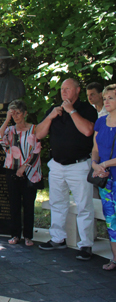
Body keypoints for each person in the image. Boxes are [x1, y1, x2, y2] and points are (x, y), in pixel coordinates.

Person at [36, 78, 97, 260]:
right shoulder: (55, 110)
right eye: (62, 89)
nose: (63, 92)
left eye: (67, 89)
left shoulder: (86, 110)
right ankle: (57, 238)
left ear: (78, 90)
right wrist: (50, 116)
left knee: (84, 205)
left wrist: (72, 112)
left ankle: (85, 244)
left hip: (79, 165)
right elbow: (38, 134)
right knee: (57, 202)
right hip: (57, 165)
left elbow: (88, 131)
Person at [0, 100, 42, 247]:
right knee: (14, 204)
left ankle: (28, 236)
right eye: (12, 113)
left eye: (18, 112)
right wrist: (7, 119)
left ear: (25, 113)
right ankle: (15, 234)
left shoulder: (34, 129)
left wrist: (24, 167)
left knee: (28, 205)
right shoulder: (9, 131)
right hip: (11, 171)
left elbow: (37, 150)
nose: (15, 115)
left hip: (30, 172)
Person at [90, 84, 116, 270]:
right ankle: (115, 259)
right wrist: (94, 165)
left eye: (111, 98)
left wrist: (105, 164)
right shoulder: (100, 122)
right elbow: (95, 149)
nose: (106, 101)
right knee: (111, 220)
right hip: (105, 180)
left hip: (110, 171)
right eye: (105, 98)